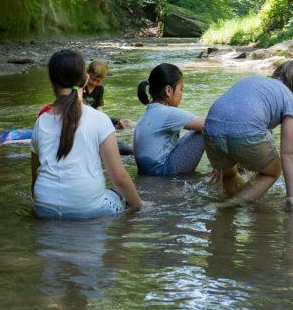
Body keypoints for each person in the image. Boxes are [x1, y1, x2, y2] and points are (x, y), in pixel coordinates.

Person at [31, 50, 143, 220]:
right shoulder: (99, 119)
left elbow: (34, 178)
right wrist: (140, 206)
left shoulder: (41, 122)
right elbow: (119, 178)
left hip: (43, 208)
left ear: (53, 84)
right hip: (86, 208)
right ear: (85, 79)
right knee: (122, 197)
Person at [203, 60, 293, 211]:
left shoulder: (254, 81)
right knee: (273, 171)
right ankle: (228, 205)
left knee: (230, 174)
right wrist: (291, 197)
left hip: (211, 129)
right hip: (245, 131)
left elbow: (235, 112)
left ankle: (236, 200)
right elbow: (288, 153)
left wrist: (218, 164)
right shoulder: (289, 98)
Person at [133, 63, 206, 175]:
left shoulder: (149, 112)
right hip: (163, 172)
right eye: (181, 89)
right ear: (169, 90)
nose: (181, 94)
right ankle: (225, 168)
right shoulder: (167, 112)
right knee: (202, 132)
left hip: (147, 171)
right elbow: (209, 124)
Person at [83, 59, 134, 130]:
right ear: (87, 72)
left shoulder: (99, 88)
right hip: (83, 118)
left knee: (127, 122)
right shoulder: (81, 85)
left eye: (98, 81)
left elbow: (99, 108)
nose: (94, 83)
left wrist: (103, 120)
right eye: (92, 79)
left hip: (95, 117)